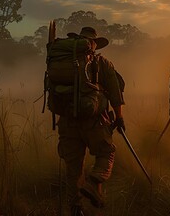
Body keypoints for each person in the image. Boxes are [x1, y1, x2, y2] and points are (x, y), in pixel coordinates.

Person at [50, 27, 125, 214]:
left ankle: (76, 209)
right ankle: (93, 182)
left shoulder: (61, 61)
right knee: (107, 152)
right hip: (94, 120)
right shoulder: (102, 63)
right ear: (93, 44)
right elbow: (116, 93)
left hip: (67, 120)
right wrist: (119, 117)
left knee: (73, 169)